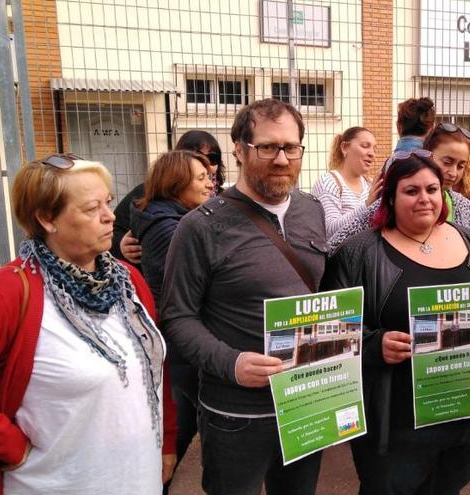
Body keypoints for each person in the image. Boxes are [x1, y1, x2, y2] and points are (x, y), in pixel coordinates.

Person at [0, 155, 177, 494]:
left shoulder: (127, 280)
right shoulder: (8, 293)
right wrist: (7, 445)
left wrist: (167, 440)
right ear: (46, 219)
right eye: (90, 209)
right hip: (56, 484)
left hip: (136, 479)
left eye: (108, 202)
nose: (109, 216)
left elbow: (154, 364)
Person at [160, 99, 326, 495]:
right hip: (237, 412)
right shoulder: (200, 227)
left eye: (291, 147)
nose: (282, 159)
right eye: (267, 147)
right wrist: (230, 363)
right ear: (238, 148)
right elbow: (177, 316)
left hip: (306, 402)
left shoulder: (312, 210)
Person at [322, 153, 470, 495]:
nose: (424, 198)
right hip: (397, 418)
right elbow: (329, 332)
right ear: (390, 198)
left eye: (432, 188)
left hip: (465, 407)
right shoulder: (359, 253)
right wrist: (373, 344)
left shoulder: (469, 238)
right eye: (411, 190)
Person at [129, 150, 214, 487]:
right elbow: (197, 286)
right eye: (201, 178)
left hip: (178, 339)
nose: (211, 183)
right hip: (184, 340)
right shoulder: (172, 228)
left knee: (183, 421)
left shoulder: (169, 217)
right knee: (202, 420)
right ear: (177, 184)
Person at [327, 123, 470, 252]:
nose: (453, 173)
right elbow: (335, 245)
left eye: (461, 166)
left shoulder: (465, 207)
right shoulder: (389, 205)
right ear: (427, 155)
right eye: (447, 162)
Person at [110, 129, 225, 265]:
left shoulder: (218, 194)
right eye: (196, 155)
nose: (205, 161)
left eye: (213, 157)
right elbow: (112, 230)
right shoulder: (149, 194)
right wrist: (121, 246)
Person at [311, 126, 379, 238]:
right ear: (345, 148)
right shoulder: (328, 182)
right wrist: (367, 205)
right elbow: (330, 231)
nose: (372, 154)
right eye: (365, 146)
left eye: (374, 149)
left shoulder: (370, 185)